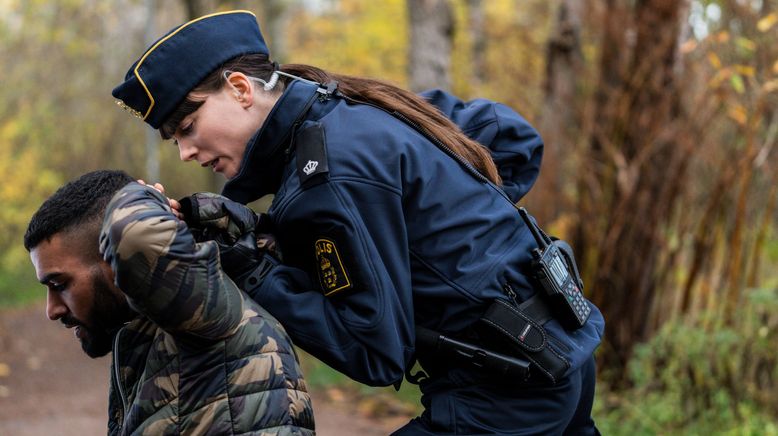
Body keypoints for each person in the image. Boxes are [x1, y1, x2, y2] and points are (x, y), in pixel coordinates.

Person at [112, 10, 605, 435]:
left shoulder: (327, 176)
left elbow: (373, 353)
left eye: (188, 127)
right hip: (564, 354)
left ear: (240, 89)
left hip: (504, 394)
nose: (186, 151)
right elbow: (513, 141)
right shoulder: (356, 106)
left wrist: (252, 270)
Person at [23, 170, 315, 435]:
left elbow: (135, 234)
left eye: (59, 285)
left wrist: (143, 196)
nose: (52, 310)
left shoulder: (203, 310)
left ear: (117, 261)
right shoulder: (154, 332)